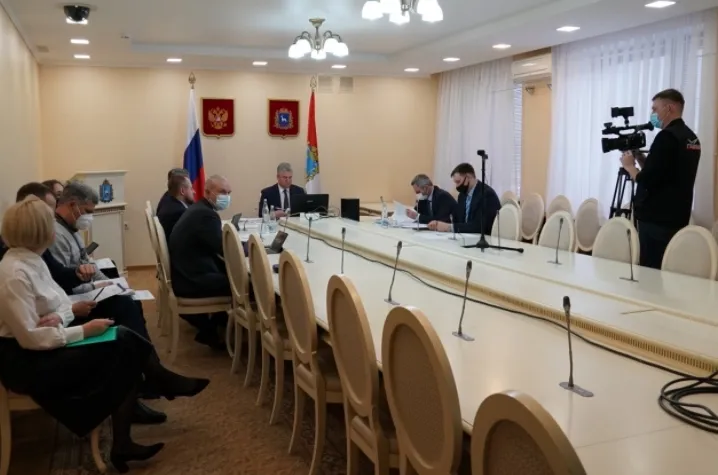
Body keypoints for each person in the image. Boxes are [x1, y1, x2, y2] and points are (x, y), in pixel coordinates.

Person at [0, 197, 210, 472]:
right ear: (40, 231)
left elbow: (61, 305)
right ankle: (154, 387)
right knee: (120, 345)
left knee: (122, 341)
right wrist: (82, 330)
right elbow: (30, 338)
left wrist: (62, 318)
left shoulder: (32, 260)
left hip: (47, 341)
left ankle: (128, 434)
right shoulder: (14, 274)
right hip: (27, 360)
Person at [17, 182, 166, 422]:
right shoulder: (17, 268)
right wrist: (78, 320)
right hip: (45, 341)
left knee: (125, 308)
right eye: (49, 212)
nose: (53, 218)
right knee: (121, 321)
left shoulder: (35, 255)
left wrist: (102, 284)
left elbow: (64, 280)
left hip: (61, 314)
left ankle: (149, 375)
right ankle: (148, 377)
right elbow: (33, 327)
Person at [620, 88, 701, 269]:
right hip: (678, 215)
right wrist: (640, 157)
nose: (653, 114)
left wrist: (630, 167)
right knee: (669, 267)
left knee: (652, 271)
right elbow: (664, 171)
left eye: (655, 109)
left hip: (656, 220)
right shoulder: (691, 138)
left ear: (669, 108)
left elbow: (647, 180)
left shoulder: (666, 137)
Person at [169, 175, 232, 348]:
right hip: (192, 280)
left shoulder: (199, 209)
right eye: (222, 192)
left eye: (229, 193)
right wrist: (250, 249)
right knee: (244, 283)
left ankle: (216, 326)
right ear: (208, 192)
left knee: (232, 276)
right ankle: (216, 328)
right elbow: (225, 249)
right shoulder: (206, 215)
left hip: (184, 273)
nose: (226, 196)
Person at [428, 163, 500, 234]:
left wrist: (449, 227)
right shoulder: (462, 196)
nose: (457, 186)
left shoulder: (486, 194)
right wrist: (438, 223)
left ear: (468, 177)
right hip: (465, 236)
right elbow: (457, 219)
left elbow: (479, 226)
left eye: (458, 182)